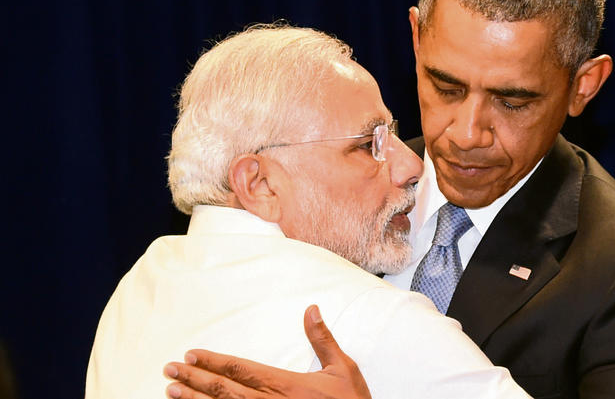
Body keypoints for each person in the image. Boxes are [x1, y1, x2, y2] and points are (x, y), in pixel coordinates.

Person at [163, 0, 615, 399]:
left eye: (513, 101)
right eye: (446, 87)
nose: (468, 134)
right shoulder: (317, 185)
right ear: (416, 39)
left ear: (583, 86)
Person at [85, 25, 532, 399]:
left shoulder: (135, 292)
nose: (413, 165)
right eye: (368, 145)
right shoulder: (369, 318)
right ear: (259, 184)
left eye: (392, 134)